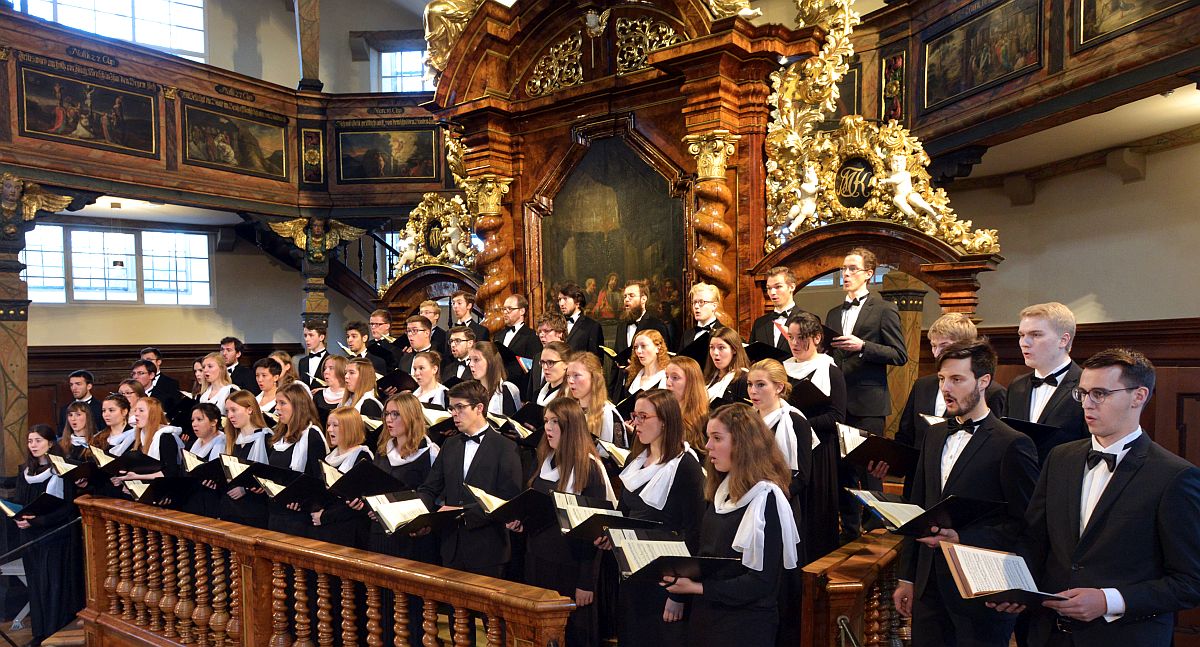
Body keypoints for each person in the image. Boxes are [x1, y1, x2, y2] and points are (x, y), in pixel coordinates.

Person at [993, 348, 1200, 646]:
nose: (1087, 405)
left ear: (1138, 396)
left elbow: (1190, 582)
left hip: (1123, 636)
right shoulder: (1059, 458)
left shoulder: (1175, 477)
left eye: (1100, 394)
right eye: (1083, 393)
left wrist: (1108, 600)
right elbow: (1033, 540)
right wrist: (1015, 589)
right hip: (1048, 633)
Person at [892, 339, 1039, 647]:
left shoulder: (1012, 443)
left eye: (957, 379)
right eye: (943, 378)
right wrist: (907, 578)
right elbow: (917, 508)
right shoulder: (933, 434)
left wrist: (963, 539)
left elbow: (1026, 524)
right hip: (928, 587)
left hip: (981, 590)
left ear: (983, 381)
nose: (946, 387)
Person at [664, 403, 800, 647]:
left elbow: (762, 582)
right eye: (708, 438)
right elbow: (708, 555)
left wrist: (696, 588)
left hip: (745, 625)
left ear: (742, 443)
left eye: (717, 438)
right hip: (708, 617)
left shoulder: (766, 498)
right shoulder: (721, 492)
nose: (707, 447)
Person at [508, 397, 614, 647]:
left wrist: (586, 583)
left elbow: (595, 535)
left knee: (571, 635)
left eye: (556, 422)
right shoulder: (544, 460)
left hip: (571, 569)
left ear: (572, 426)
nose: (548, 427)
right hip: (537, 561)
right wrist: (523, 523)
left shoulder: (589, 469)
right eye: (546, 421)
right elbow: (539, 510)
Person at [824, 248, 908, 540]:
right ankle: (848, 532)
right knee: (843, 471)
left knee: (873, 471)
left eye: (852, 269)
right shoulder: (834, 313)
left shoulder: (884, 309)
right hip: (839, 402)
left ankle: (877, 532)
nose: (845, 274)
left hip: (870, 403)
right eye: (843, 269)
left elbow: (899, 354)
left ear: (869, 274)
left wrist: (863, 346)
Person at [613, 389, 705, 647]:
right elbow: (625, 514)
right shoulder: (635, 459)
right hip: (632, 573)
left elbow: (694, 533)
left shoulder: (685, 466)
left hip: (664, 583)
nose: (636, 423)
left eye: (643, 416)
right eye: (634, 416)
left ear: (664, 421)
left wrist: (678, 596)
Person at [355, 393, 439, 645]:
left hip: (412, 540)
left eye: (395, 415)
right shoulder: (383, 450)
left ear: (411, 417)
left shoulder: (429, 452)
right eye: (387, 414)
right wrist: (370, 505)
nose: (389, 420)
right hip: (380, 536)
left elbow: (432, 496)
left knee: (411, 608)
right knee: (383, 604)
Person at [417, 380, 522, 578]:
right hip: (451, 547)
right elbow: (429, 488)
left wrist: (462, 512)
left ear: (479, 408)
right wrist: (418, 515)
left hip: (488, 550)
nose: (454, 414)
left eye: (460, 407)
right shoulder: (450, 445)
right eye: (451, 408)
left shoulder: (505, 448)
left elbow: (508, 500)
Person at [895, 313, 1006, 496]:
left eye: (944, 345)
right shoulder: (922, 385)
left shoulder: (993, 392)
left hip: (966, 488)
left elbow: (994, 446)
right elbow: (906, 434)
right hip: (921, 483)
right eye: (933, 346)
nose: (937, 353)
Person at [782, 312, 846, 560]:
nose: (795, 343)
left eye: (802, 338)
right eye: (791, 337)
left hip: (819, 452)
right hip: (786, 448)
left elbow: (837, 416)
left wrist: (800, 423)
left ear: (817, 337)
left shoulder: (829, 370)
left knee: (814, 516)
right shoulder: (783, 368)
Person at [15, 424, 84, 647]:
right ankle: (39, 631)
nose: (33, 445)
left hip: (54, 537)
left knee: (53, 584)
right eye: (30, 441)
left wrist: (39, 520)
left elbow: (67, 508)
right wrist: (17, 517)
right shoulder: (25, 472)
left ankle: (53, 630)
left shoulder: (61, 471)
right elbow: (19, 502)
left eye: (38, 441)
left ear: (50, 443)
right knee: (35, 585)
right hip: (30, 538)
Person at [1004, 302, 1088, 464]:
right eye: (1021, 335)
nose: (1024, 343)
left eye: (1035, 335)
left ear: (1063, 340)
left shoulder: (1086, 386)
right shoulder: (1016, 386)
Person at [267, 383, 328, 538]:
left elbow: (320, 479)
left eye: (282, 403)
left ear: (297, 405)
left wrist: (302, 500)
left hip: (300, 517)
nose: (277, 408)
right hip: (277, 512)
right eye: (276, 403)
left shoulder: (312, 435)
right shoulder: (279, 436)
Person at [311, 406, 374, 548]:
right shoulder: (329, 457)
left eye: (335, 425)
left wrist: (325, 517)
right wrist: (316, 510)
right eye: (328, 425)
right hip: (326, 529)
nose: (329, 430)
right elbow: (319, 491)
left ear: (349, 428)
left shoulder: (362, 457)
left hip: (350, 533)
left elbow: (356, 503)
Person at [220, 390, 272, 529]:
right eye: (227, 411)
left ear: (249, 409)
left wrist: (246, 489)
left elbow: (268, 476)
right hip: (229, 509)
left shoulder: (267, 438)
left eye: (234, 410)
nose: (230, 415)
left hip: (253, 511)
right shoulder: (233, 440)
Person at [567, 352, 627, 449]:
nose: (570, 381)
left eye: (576, 375)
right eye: (568, 376)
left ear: (594, 378)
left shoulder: (608, 414)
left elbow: (616, 458)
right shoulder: (568, 410)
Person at [183, 403, 226, 518]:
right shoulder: (191, 445)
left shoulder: (225, 444)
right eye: (193, 420)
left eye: (199, 419)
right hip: (191, 501)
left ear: (213, 422)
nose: (194, 424)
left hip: (212, 505)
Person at [498, 294, 542, 394]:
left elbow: (532, 367)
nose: (505, 312)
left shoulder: (531, 336)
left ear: (522, 311)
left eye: (509, 309)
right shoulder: (498, 336)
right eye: (503, 309)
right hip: (499, 388)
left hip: (520, 389)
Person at [750, 266, 800, 352]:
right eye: (769, 288)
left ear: (792, 287)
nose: (772, 292)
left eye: (778, 287)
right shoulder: (759, 323)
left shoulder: (807, 319)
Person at [664, 356, 710, 451]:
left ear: (691, 382)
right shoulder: (663, 412)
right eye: (667, 377)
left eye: (675, 378)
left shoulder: (705, 421)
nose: (668, 383)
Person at [615, 280, 671, 355]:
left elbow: (663, 357)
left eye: (631, 296)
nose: (626, 299)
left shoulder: (657, 326)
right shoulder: (621, 326)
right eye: (625, 296)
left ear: (643, 299)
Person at [469, 342, 522, 416]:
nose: (471, 364)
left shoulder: (506, 389)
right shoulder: (470, 391)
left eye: (476, 360)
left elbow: (511, 424)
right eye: (470, 360)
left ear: (490, 361)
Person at [705, 327, 751, 402]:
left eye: (721, 347)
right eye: (712, 347)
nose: (715, 353)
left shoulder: (743, 378)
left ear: (734, 350)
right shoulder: (711, 376)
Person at [621, 330, 669, 401]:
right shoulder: (632, 378)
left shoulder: (667, 378)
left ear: (657, 348)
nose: (638, 351)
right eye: (636, 347)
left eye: (643, 346)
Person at [529, 313, 568, 396]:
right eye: (539, 332)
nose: (541, 335)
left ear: (559, 332)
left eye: (546, 331)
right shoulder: (537, 357)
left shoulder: (570, 356)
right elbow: (532, 390)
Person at [559, 282, 604, 356]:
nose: (561, 303)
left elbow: (596, 360)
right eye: (559, 299)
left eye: (565, 299)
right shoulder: (557, 323)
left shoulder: (592, 326)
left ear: (577, 302)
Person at [679, 282, 725, 352]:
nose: (696, 306)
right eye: (694, 302)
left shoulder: (725, 333)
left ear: (714, 306)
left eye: (701, 302)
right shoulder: (687, 335)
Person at [59, 369, 104, 435]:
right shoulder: (65, 409)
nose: (74, 388)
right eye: (71, 385)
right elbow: (61, 434)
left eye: (78, 384)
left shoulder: (101, 408)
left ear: (89, 386)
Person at [313, 354, 348, 426]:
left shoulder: (351, 396)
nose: (326, 372)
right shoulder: (319, 395)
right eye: (325, 368)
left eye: (331, 368)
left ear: (342, 370)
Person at [532, 341, 571, 406]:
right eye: (542, 362)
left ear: (566, 363)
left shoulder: (570, 397)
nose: (545, 367)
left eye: (550, 362)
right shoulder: (537, 394)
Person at [197, 352, 235, 416]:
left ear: (221, 368)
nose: (205, 370)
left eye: (210, 366)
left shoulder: (230, 390)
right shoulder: (204, 394)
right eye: (203, 367)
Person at [298, 320, 331, 389]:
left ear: (321, 337)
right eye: (305, 335)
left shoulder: (332, 360)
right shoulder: (302, 362)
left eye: (311, 335)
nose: (307, 339)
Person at [254, 357, 283, 425]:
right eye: (257, 376)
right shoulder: (254, 399)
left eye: (264, 375)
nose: (260, 379)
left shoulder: (282, 400)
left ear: (276, 377)